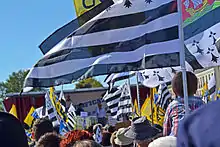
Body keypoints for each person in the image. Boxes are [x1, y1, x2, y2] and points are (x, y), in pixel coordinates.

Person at [163, 71, 204, 136]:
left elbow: (166, 131)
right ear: (195, 87)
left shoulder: (172, 106)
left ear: (174, 89)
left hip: (176, 140)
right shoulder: (202, 104)